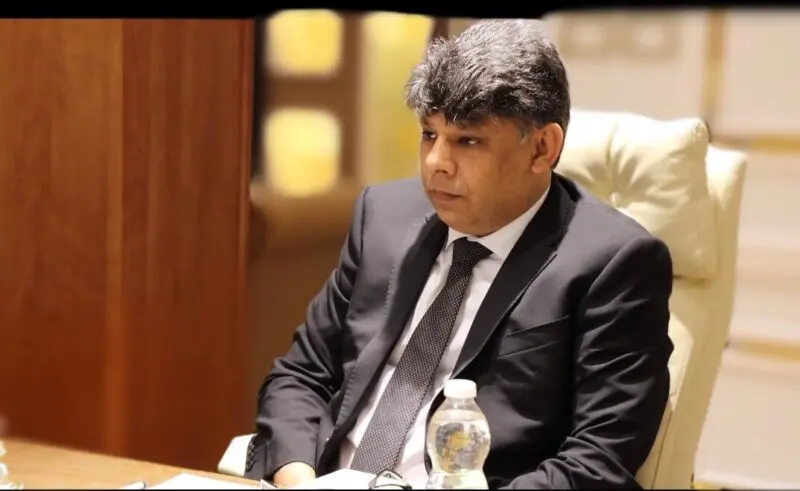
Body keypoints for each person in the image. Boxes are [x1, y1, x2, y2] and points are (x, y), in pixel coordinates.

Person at [247, 18, 674, 489]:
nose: (436, 163)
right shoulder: (383, 219)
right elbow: (299, 376)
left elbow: (598, 462)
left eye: (467, 141)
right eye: (429, 135)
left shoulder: (613, 263)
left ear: (542, 148)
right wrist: (300, 481)